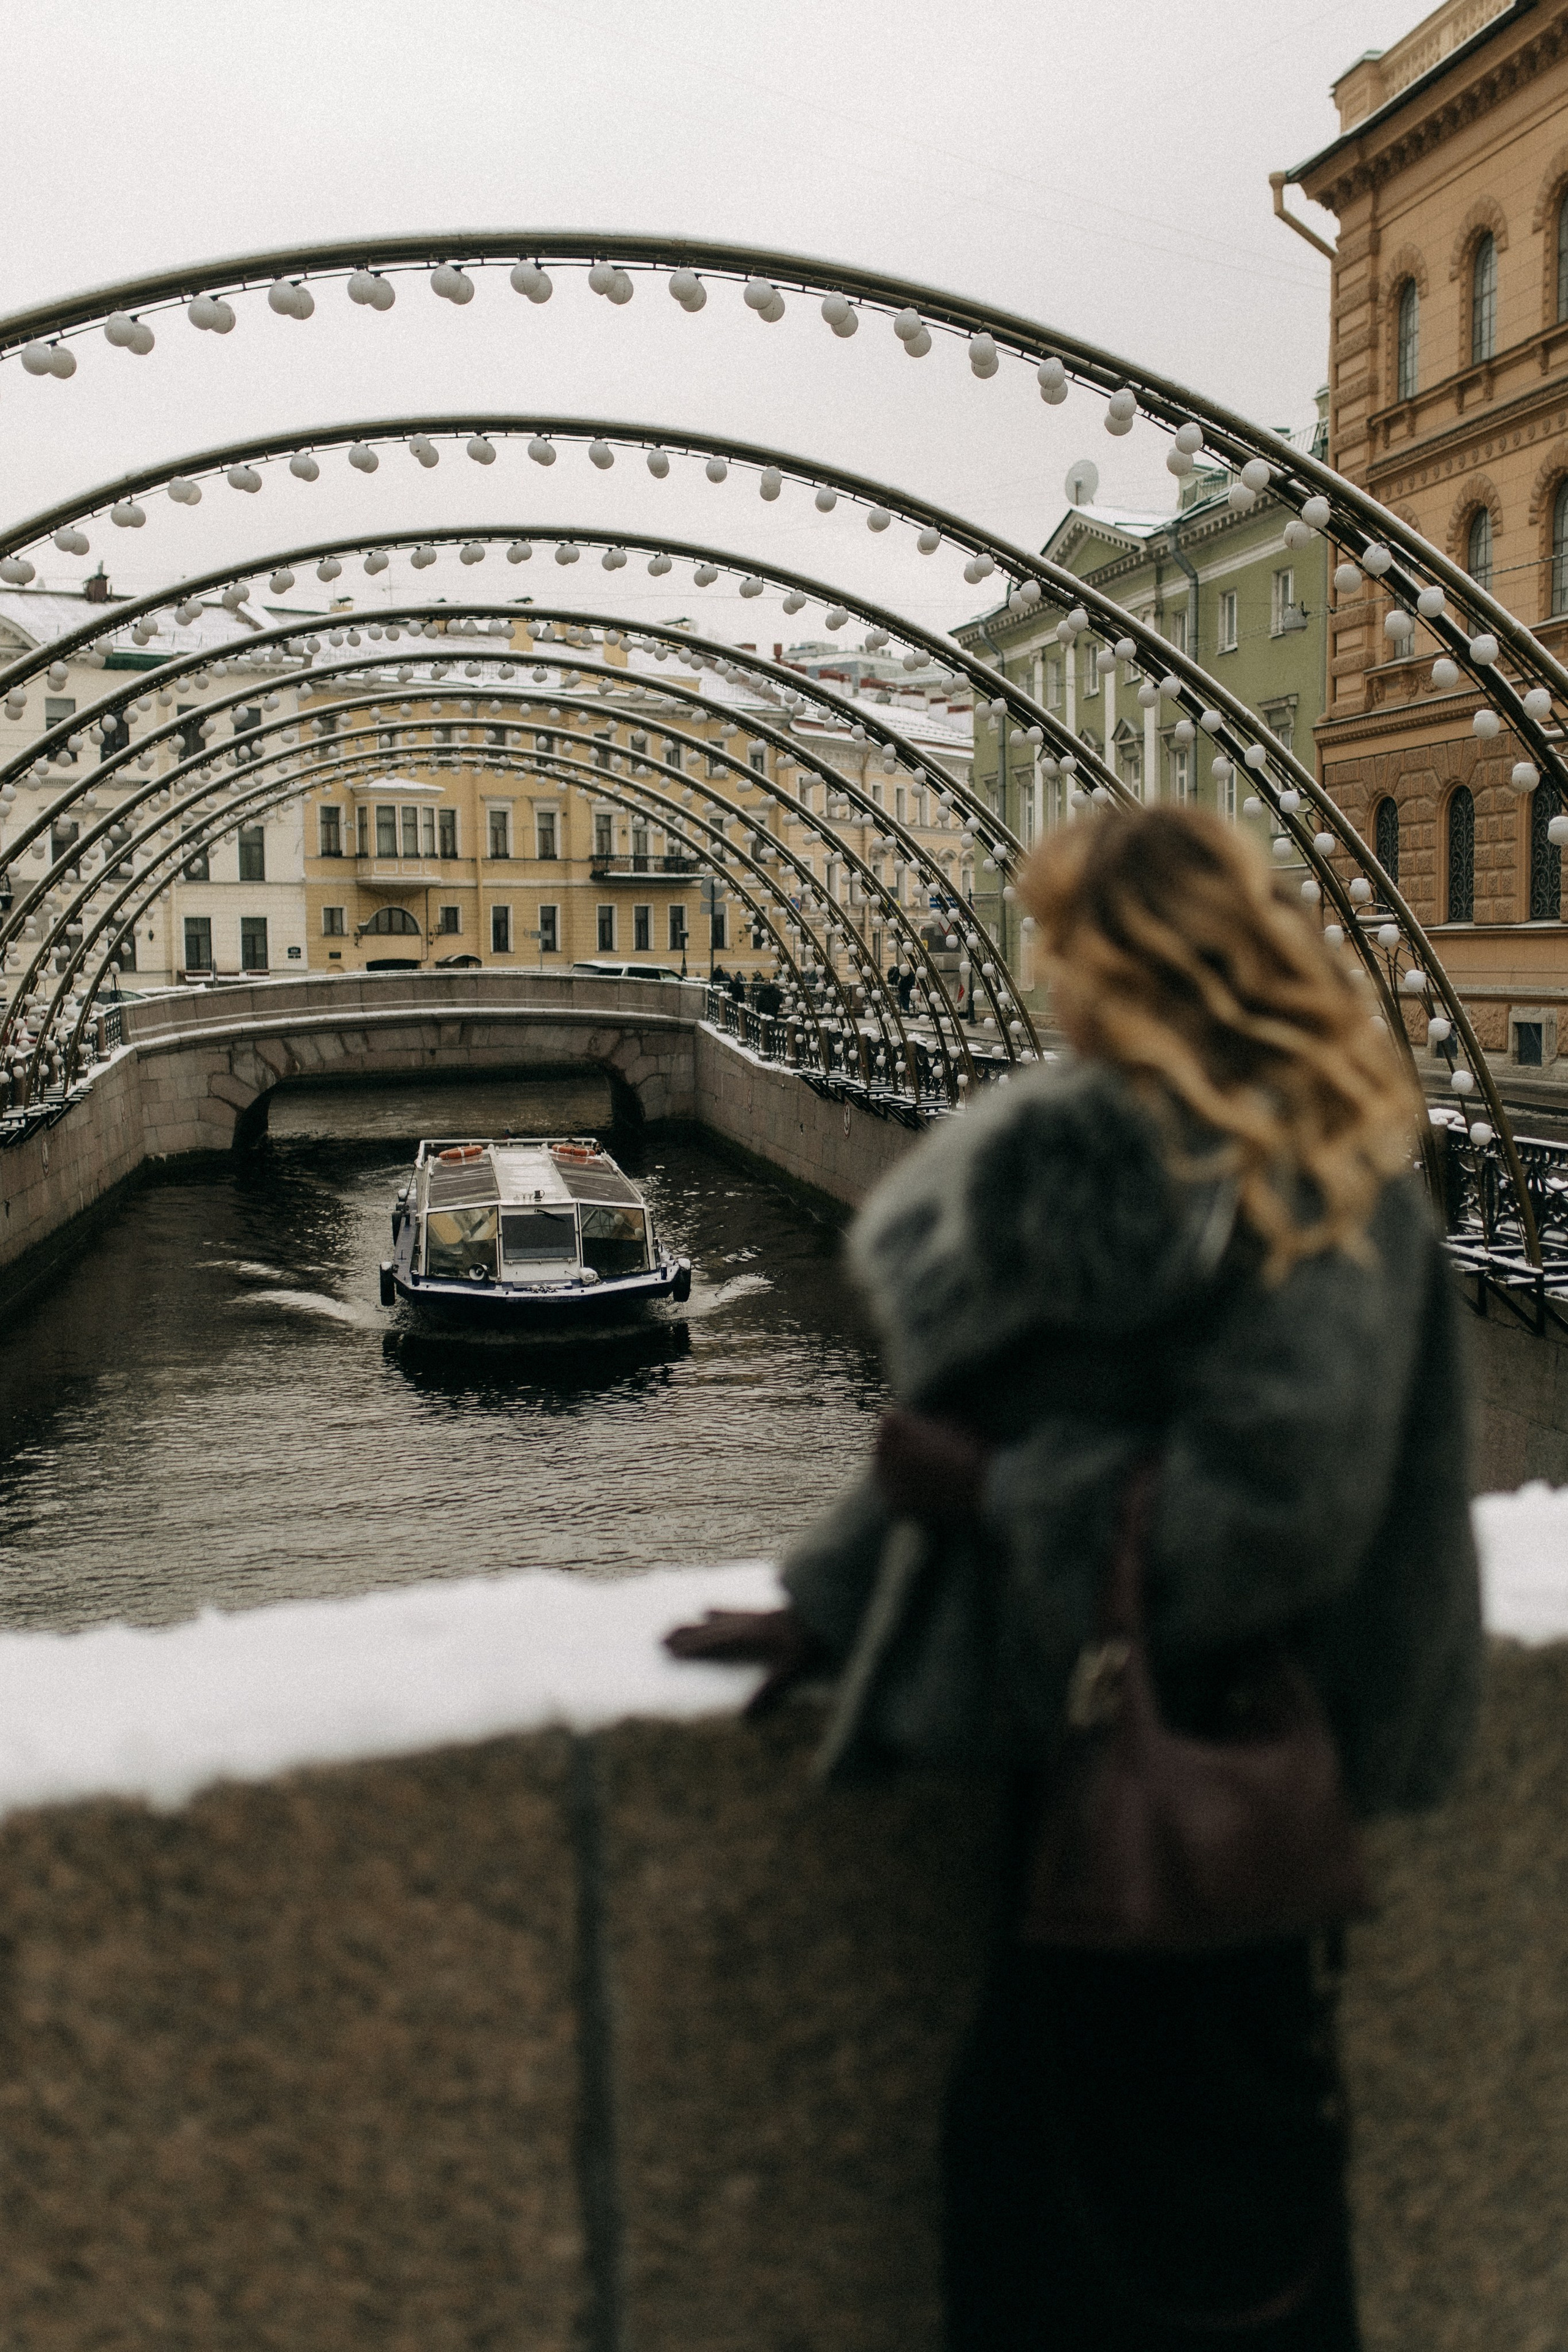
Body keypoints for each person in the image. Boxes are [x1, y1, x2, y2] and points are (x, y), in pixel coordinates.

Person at [667, 805, 1480, 2351]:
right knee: (1045, 2204)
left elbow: (1275, 1512)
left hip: (1218, 1767)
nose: (1042, 969)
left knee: (1190, 2238)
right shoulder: (1124, 1145)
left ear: (1140, 958)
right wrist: (834, 1596)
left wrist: (998, 1496)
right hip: (1088, 1751)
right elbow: (996, 1391)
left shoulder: (1314, 1164)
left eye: (1064, 938)